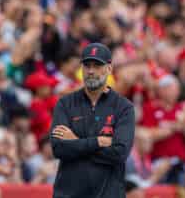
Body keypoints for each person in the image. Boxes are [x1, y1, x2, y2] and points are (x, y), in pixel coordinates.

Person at [51, 43, 135, 198]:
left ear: (109, 68)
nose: (91, 71)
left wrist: (76, 141)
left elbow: (119, 153)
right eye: (87, 65)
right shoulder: (65, 103)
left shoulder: (124, 107)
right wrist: (97, 142)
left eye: (97, 65)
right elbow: (59, 148)